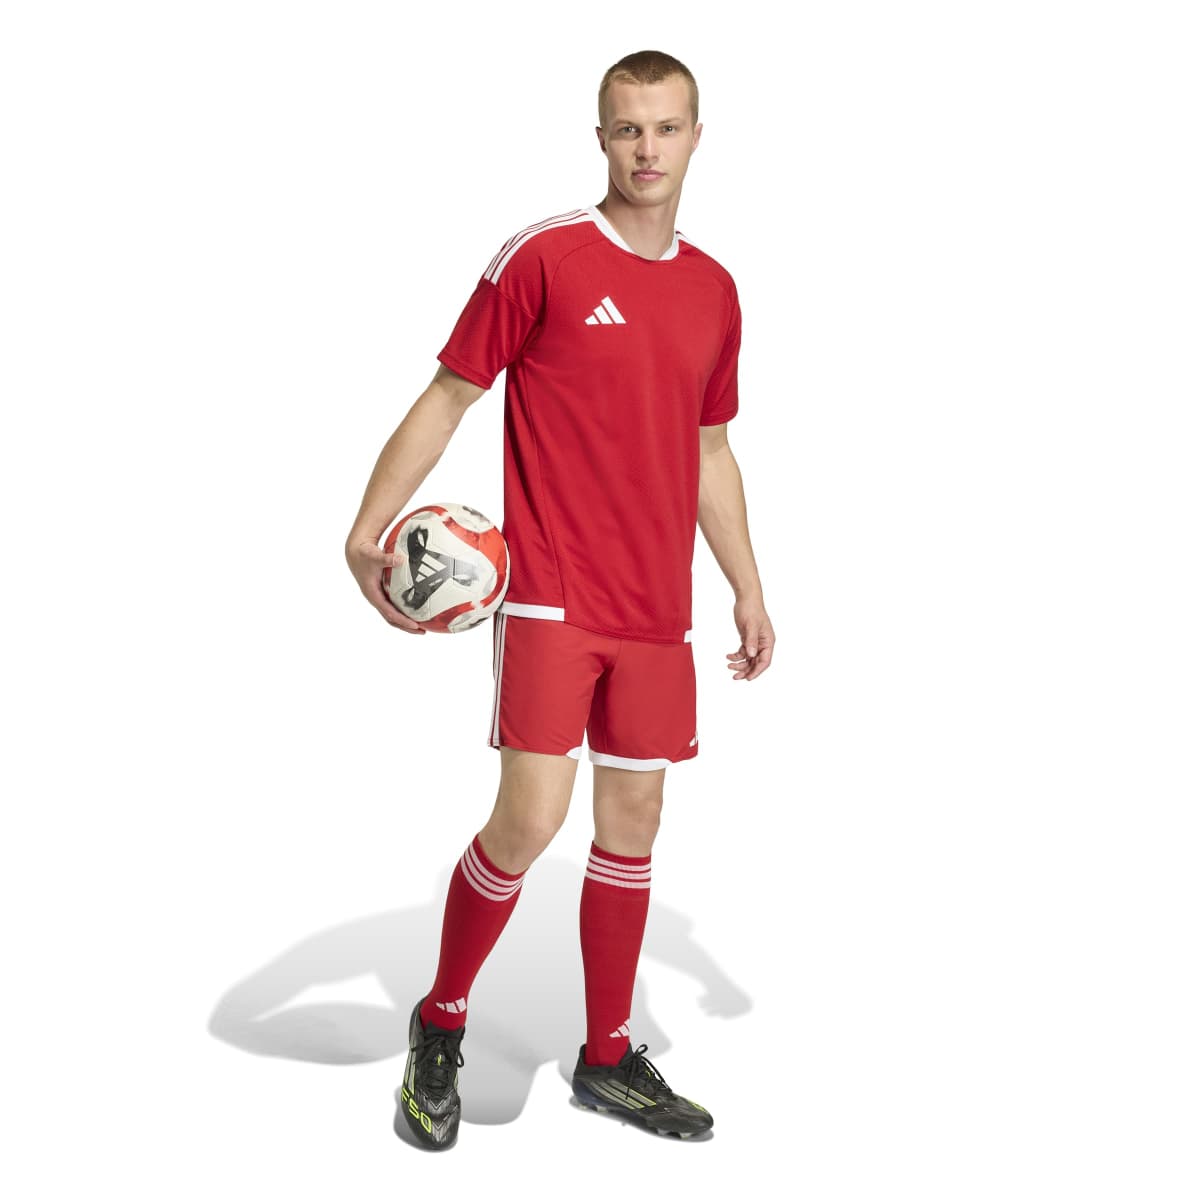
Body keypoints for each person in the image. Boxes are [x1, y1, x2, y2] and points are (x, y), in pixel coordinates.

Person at [345, 49, 774, 1149]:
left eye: (666, 128)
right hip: (549, 594)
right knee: (531, 820)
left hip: (656, 608)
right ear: (601, 138)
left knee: (634, 825)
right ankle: (441, 1021)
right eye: (628, 128)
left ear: (697, 137)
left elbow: (711, 451)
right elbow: (449, 395)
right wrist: (367, 527)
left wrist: (747, 586)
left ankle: (606, 1058)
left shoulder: (716, 289)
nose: (647, 149)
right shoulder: (544, 257)